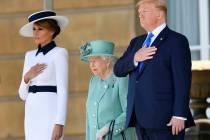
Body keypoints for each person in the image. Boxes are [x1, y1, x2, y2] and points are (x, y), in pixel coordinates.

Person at [113, 0, 195, 140]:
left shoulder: (176, 41)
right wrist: (136, 57)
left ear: (159, 14)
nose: (140, 16)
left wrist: (179, 115)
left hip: (166, 120)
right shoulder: (136, 43)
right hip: (140, 119)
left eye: (144, 12)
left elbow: (182, 81)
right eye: (139, 13)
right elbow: (118, 69)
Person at [18, 10, 69, 140]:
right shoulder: (29, 55)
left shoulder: (60, 53)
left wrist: (59, 123)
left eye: (40, 29)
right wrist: (27, 76)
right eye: (34, 29)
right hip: (31, 113)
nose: (35, 33)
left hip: (50, 112)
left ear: (52, 31)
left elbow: (63, 91)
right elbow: (22, 95)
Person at [80, 40, 136, 140]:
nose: (91, 65)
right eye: (90, 61)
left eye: (95, 61)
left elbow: (129, 111)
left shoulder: (122, 78)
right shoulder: (94, 81)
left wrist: (108, 128)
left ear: (107, 61)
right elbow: (89, 119)